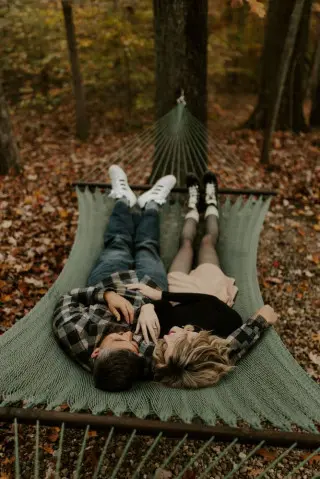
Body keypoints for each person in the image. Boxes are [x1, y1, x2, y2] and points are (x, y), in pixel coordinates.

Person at [130, 172, 279, 389]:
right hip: (210, 290)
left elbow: (154, 309)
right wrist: (162, 296)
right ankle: (210, 202)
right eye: (176, 343)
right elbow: (215, 302)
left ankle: (192, 205)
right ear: (195, 343)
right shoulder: (227, 329)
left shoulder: (165, 347)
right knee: (208, 242)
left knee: (186, 244)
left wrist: (151, 305)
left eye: (165, 347)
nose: (166, 339)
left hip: (178, 290)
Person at [52, 165, 176, 392]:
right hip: (151, 287)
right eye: (134, 344)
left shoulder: (76, 335)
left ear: (96, 352)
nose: (129, 334)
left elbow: (68, 299)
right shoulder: (141, 361)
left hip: (110, 279)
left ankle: (123, 199)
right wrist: (151, 306)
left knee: (118, 241)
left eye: (119, 339)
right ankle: (152, 204)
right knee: (147, 248)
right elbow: (206, 356)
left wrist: (107, 295)